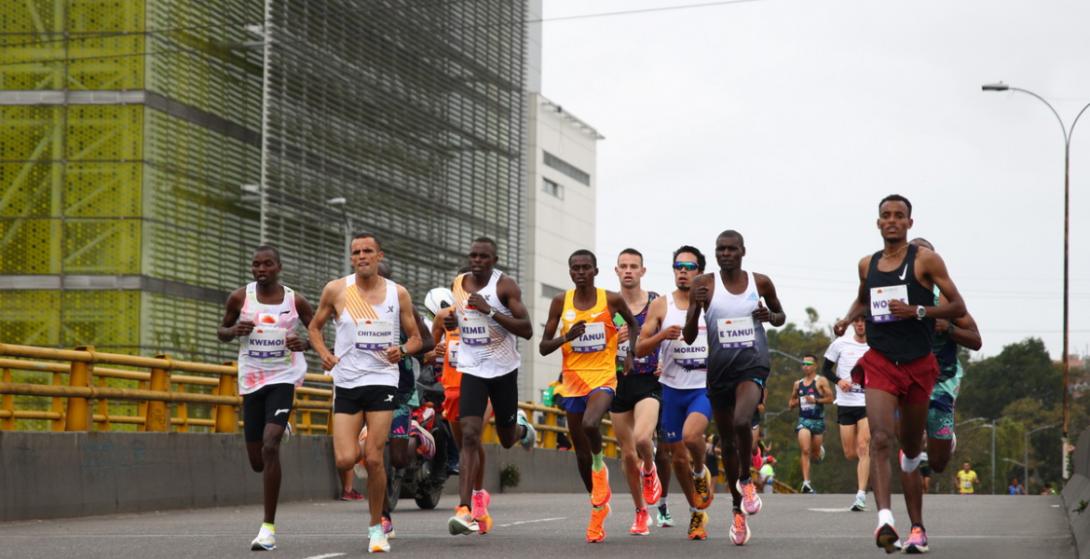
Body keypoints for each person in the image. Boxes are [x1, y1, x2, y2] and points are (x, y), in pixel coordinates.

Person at [833, 194, 968, 554]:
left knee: (910, 451)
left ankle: (918, 528)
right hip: (880, 361)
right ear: (878, 223)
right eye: (885, 216)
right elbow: (864, 298)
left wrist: (917, 311)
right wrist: (847, 318)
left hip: (919, 366)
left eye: (899, 216)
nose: (892, 221)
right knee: (878, 438)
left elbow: (957, 306)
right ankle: (885, 521)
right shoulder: (868, 264)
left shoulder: (925, 261)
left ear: (909, 223)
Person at [308, 232, 424, 554]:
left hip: (382, 379)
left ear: (379, 256)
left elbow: (416, 339)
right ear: (351, 257)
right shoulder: (336, 290)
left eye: (368, 251)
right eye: (356, 251)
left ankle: (376, 528)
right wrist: (323, 353)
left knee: (375, 458)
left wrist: (401, 349)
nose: (362, 256)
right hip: (346, 380)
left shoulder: (396, 294)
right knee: (346, 459)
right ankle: (361, 443)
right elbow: (314, 328)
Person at [684, 230, 786, 546]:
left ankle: (747, 481)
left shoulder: (761, 283)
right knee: (726, 442)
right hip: (719, 371)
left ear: (743, 251)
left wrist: (769, 315)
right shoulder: (703, 284)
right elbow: (688, 336)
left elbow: (781, 316)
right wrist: (695, 308)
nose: (726, 253)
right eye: (720, 249)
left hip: (753, 365)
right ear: (715, 254)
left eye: (731, 249)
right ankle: (737, 509)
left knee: (743, 421)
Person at [217, 245, 314, 551]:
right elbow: (221, 330)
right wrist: (234, 330)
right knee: (257, 461)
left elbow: (317, 334)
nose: (261, 269)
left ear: (279, 268)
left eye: (267, 264)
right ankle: (280, 425)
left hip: (283, 378)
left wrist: (305, 343)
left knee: (270, 445)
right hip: (252, 379)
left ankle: (267, 528)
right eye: (256, 264)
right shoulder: (239, 297)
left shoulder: (294, 300)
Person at [540, 249, 640, 543]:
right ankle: (597, 508)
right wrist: (566, 337)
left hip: (603, 376)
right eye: (576, 268)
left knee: (590, 424)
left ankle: (600, 466)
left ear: (596, 271)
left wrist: (630, 352)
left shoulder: (610, 300)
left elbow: (632, 324)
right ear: (570, 272)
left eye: (586, 267)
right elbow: (544, 346)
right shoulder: (561, 302)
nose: (581, 272)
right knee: (580, 454)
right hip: (572, 382)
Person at [445, 238, 536, 537]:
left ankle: (523, 429)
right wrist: (451, 324)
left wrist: (490, 311)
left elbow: (527, 329)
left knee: (507, 439)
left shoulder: (505, 287)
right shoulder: (458, 283)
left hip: (504, 370)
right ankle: (464, 509)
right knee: (469, 433)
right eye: (473, 255)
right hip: (473, 368)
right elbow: (461, 318)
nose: (477, 260)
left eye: (483, 256)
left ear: (494, 259)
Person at [636, 245, 715, 540]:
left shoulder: (712, 304)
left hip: (702, 388)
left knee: (693, 437)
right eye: (678, 265)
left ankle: (700, 473)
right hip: (671, 388)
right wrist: (660, 335)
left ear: (700, 272)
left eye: (689, 266)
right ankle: (696, 514)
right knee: (676, 457)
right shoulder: (661, 306)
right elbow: (640, 347)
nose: (683, 271)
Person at [909, 238, 982, 478]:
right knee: (901, 435)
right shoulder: (898, 294)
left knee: (938, 464)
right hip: (908, 377)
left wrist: (948, 328)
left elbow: (976, 340)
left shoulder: (946, 299)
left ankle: (944, 441)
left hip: (942, 379)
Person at [377, 261, 435, 540]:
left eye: (382, 280)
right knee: (370, 453)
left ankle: (415, 442)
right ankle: (381, 515)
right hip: (367, 388)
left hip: (400, 389)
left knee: (399, 458)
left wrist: (404, 349)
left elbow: (428, 342)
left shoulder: (405, 308)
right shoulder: (354, 307)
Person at [609, 248, 663, 536]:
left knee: (643, 438)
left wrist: (665, 360)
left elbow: (671, 336)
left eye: (634, 266)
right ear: (616, 271)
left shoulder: (656, 302)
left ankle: (651, 469)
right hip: (618, 383)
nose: (628, 270)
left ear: (643, 271)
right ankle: (641, 511)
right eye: (623, 266)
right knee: (628, 455)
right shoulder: (607, 305)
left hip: (648, 381)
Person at [822, 317, 871, 510]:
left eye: (863, 321)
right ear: (852, 325)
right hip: (845, 403)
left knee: (863, 447)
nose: (860, 324)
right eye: (857, 321)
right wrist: (839, 381)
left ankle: (860, 495)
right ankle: (866, 468)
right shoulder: (840, 344)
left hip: (867, 402)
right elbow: (825, 369)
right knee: (850, 452)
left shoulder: (876, 345)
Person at [788, 354, 833, 494]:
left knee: (814, 454)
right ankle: (806, 483)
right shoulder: (797, 384)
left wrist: (816, 401)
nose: (805, 366)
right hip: (804, 421)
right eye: (804, 363)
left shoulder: (821, 381)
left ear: (815, 366)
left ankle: (819, 450)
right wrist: (798, 401)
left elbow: (831, 398)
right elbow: (790, 403)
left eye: (808, 364)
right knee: (805, 450)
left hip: (818, 421)